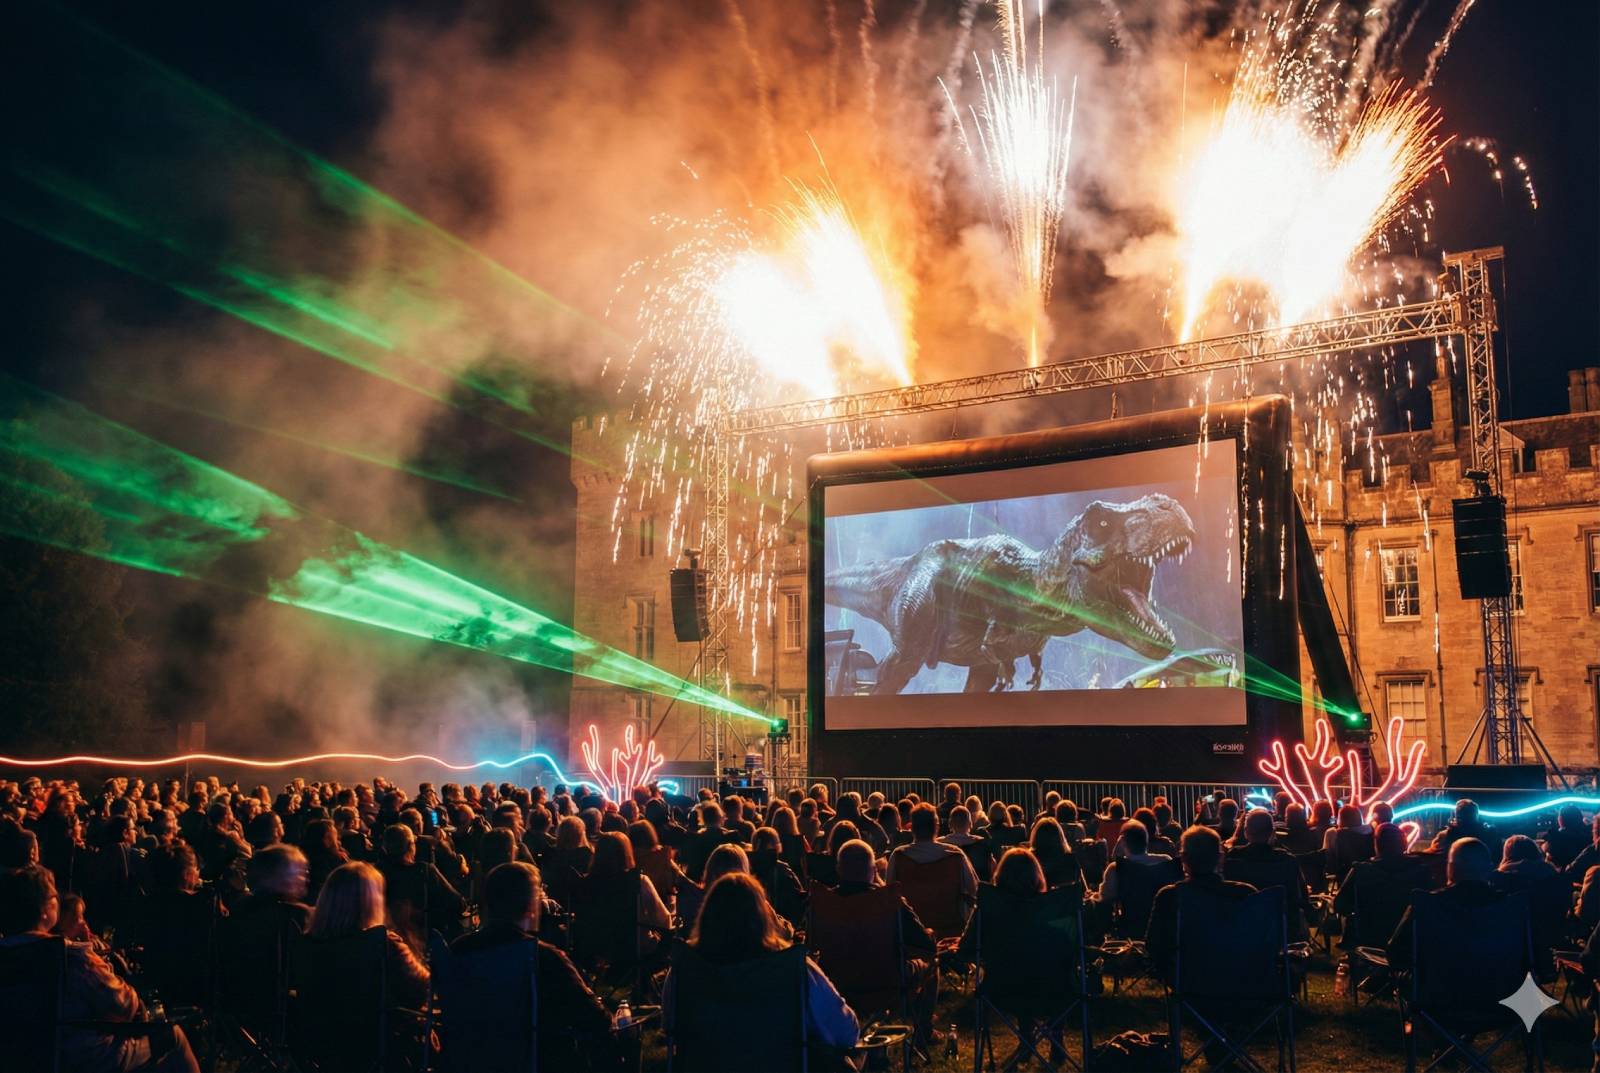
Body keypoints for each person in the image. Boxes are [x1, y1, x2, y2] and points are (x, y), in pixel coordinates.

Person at [0, 864, 199, 1071]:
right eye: (53, 897)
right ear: (43, 910)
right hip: (80, 1057)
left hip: (14, 1060)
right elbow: (123, 1005)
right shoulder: (71, 957)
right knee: (172, 1037)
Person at [666, 873, 859, 1056]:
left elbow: (669, 1026)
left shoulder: (685, 968)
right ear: (762, 917)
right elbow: (846, 1031)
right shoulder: (793, 968)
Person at [447, 862, 612, 1071]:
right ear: (531, 906)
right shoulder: (543, 957)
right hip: (535, 1060)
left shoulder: (458, 950)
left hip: (470, 1058)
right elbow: (596, 1018)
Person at [1145, 826, 1258, 976]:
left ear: (1183, 858)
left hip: (1189, 976)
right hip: (1241, 975)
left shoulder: (1170, 896)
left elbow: (1154, 946)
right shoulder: (1246, 894)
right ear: (1220, 857)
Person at [1386, 837, 1505, 973]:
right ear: (1490, 868)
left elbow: (1395, 953)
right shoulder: (1508, 905)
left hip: (1438, 987)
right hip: (1496, 986)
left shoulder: (1426, 903)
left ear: (1451, 868)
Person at [376, 823, 466, 949]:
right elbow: (457, 903)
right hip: (424, 942)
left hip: (386, 944)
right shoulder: (424, 871)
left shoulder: (375, 873)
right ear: (411, 846)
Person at [887, 802, 980, 906]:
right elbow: (974, 889)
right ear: (936, 827)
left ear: (912, 828)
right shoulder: (955, 854)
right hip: (948, 920)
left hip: (909, 920)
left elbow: (889, 892)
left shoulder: (898, 855)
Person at [1098, 819, 1173, 905]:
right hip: (1162, 917)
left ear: (1123, 842)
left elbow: (1105, 898)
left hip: (1131, 917)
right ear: (1146, 839)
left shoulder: (1115, 868)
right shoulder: (1166, 861)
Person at [1428, 799, 1503, 858]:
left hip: (1453, 875)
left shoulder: (1445, 835)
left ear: (1456, 816)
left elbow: (1432, 856)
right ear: (1476, 815)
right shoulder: (1490, 833)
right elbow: (1499, 856)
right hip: (1483, 875)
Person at [1027, 816, 1085, 891]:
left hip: (1041, 901)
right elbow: (1081, 889)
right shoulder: (1071, 859)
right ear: (1060, 836)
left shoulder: (1031, 861)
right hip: (1066, 901)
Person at [941, 804, 994, 881]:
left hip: (949, 888)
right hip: (978, 887)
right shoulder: (982, 843)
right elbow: (992, 868)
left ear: (950, 823)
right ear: (970, 823)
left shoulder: (939, 843)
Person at [1541, 805, 1590, 871]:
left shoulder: (1556, 838)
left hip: (1564, 878)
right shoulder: (1591, 837)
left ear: (1560, 819)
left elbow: (1545, 851)